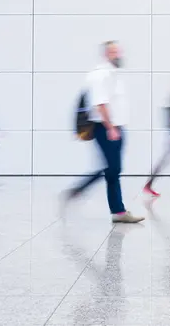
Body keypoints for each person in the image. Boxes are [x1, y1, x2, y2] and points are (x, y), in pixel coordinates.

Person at [63, 41, 144, 224]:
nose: (119, 55)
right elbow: (100, 104)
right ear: (106, 54)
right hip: (106, 128)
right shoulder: (101, 75)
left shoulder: (112, 74)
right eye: (115, 52)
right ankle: (83, 192)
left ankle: (117, 210)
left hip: (115, 127)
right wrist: (111, 128)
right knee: (112, 169)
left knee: (112, 169)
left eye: (119, 51)